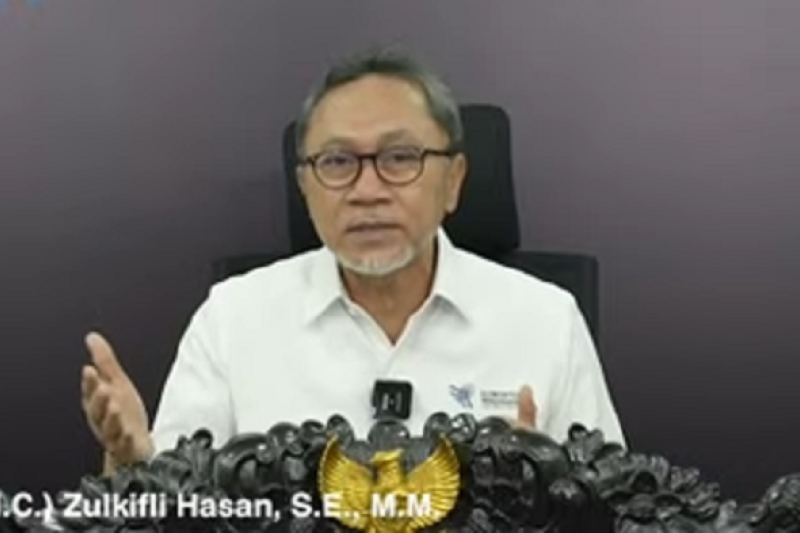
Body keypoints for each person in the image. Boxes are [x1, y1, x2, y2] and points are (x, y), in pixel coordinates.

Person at [81, 48, 625, 473]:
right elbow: (174, 509)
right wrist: (129, 465)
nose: (367, 191)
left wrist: (546, 496)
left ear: (454, 181)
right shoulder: (233, 318)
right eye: (338, 161)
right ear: (306, 186)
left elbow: (615, 509)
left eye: (400, 158)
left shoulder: (545, 320)